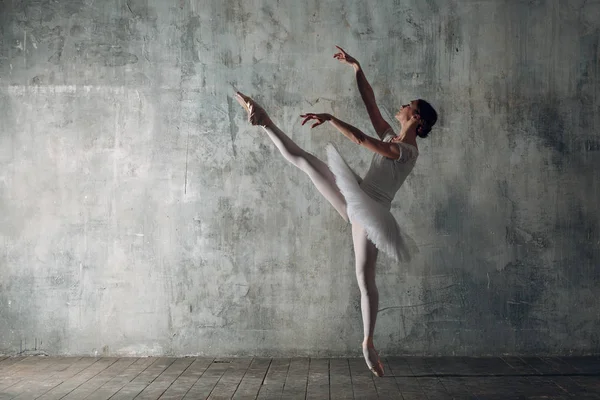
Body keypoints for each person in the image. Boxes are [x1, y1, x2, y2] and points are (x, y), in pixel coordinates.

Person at [235, 46, 438, 377]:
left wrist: (330, 118)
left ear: (417, 119)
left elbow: (360, 139)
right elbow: (370, 104)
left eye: (408, 106)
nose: (402, 107)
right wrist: (356, 66)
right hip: (357, 194)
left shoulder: (406, 152)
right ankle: (264, 121)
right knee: (305, 161)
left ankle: (367, 343)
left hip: (372, 212)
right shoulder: (393, 135)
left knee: (364, 277)